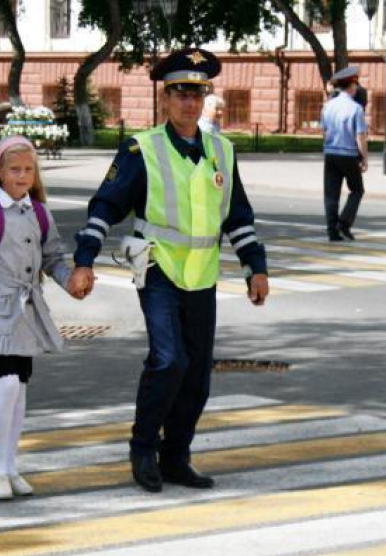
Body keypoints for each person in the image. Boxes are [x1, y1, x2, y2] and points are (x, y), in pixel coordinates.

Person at [68, 47, 270, 493]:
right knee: (168, 359)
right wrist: (84, 260)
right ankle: (143, 448)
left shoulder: (221, 149)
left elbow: (237, 215)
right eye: (180, 93)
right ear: (165, 98)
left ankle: (176, 456)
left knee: (196, 373)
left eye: (197, 94)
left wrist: (256, 268)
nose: (189, 103)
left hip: (202, 275)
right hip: (157, 269)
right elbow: (106, 205)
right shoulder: (143, 148)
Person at [0, 136, 73, 501]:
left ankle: (10, 466)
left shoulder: (39, 212)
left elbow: (53, 257)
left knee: (19, 390)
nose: (22, 176)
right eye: (15, 169)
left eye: (28, 169)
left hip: (26, 313)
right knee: (6, 385)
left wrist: (73, 283)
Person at [321, 66, 368, 242]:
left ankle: (332, 231)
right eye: (356, 85)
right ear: (352, 86)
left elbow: (324, 133)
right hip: (348, 155)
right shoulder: (356, 108)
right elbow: (360, 136)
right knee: (357, 190)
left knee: (331, 194)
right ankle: (344, 223)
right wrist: (364, 158)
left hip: (331, 153)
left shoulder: (328, 107)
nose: (356, 88)